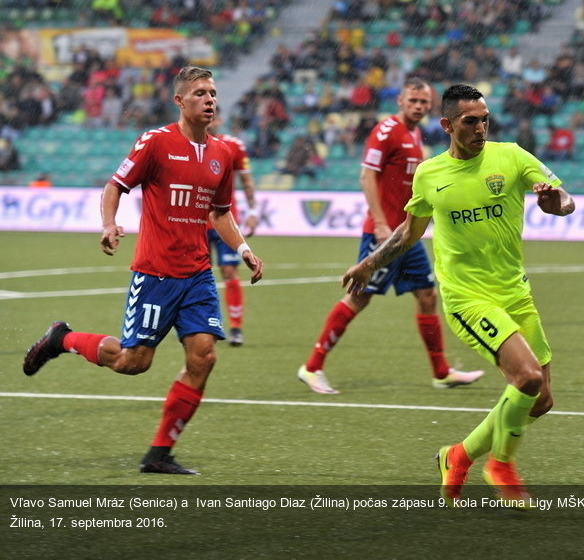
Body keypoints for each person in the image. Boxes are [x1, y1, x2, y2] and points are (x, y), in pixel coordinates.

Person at [22, 66, 265, 475]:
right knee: (134, 361)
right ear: (180, 101)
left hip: (198, 275)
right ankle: (62, 338)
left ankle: (159, 453)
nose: (210, 99)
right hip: (155, 274)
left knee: (203, 357)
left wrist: (243, 248)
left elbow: (219, 213)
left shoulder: (221, 153)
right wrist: (109, 223)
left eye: (212, 93)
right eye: (201, 93)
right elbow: (115, 185)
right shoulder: (156, 143)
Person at [343, 84, 575, 507]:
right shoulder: (431, 174)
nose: (481, 128)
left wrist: (553, 202)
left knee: (540, 400)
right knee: (526, 378)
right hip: (468, 297)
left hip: (515, 293)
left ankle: (459, 455)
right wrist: (370, 263)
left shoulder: (512, 156)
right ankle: (500, 465)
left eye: (485, 119)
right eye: (471, 121)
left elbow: (564, 199)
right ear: (447, 125)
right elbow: (409, 231)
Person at [297, 78, 484, 394]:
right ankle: (312, 367)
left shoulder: (414, 136)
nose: (419, 106)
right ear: (400, 100)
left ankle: (442, 372)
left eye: (424, 102)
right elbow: (367, 175)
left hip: (406, 234)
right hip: (384, 234)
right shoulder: (386, 132)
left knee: (427, 295)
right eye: (413, 100)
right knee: (359, 297)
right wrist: (381, 224)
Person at [208, 114, 258, 346]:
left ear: (218, 121)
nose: (210, 121)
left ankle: (236, 328)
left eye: (215, 117)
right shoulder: (183, 144)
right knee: (194, 275)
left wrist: (253, 212)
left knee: (229, 272)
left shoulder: (233, 146)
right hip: (192, 221)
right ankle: (203, 325)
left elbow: (247, 181)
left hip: (224, 219)